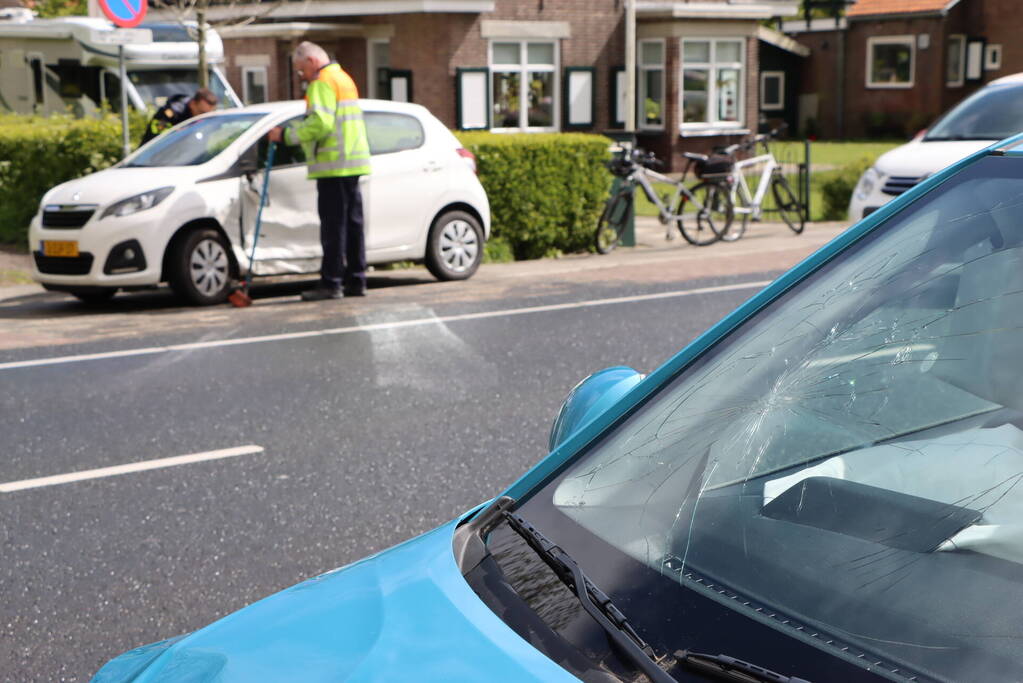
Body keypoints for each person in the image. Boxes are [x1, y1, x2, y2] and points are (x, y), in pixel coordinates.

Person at [268, 42, 371, 301]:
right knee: (353, 225)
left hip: (333, 165)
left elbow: (320, 124)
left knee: (333, 227)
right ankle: (356, 280)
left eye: (301, 69)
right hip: (352, 162)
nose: (301, 75)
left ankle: (331, 282)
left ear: (312, 61)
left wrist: (287, 135)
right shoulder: (344, 79)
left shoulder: (322, 83)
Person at [139, 88, 218, 146]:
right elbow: (156, 133)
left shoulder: (200, 115)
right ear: (193, 104)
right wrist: (177, 133)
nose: (203, 117)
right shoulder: (170, 112)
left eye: (207, 114)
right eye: (202, 112)